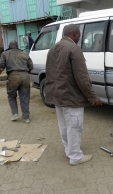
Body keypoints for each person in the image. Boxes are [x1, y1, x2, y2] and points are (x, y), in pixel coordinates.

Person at [45, 24, 102, 166]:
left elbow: (49, 73)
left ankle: (69, 150)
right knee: (75, 126)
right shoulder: (74, 49)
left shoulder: (53, 48)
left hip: (57, 95)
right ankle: (75, 157)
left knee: (64, 125)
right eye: (79, 36)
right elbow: (82, 78)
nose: (79, 39)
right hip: (71, 97)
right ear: (75, 34)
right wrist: (92, 97)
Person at [0, 41, 33, 123]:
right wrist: (25, 73)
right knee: (25, 97)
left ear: (9, 46)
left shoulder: (5, 54)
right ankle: (26, 118)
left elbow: (1, 66)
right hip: (25, 76)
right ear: (17, 46)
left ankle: (15, 114)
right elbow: (31, 66)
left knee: (11, 96)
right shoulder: (24, 53)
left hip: (13, 77)